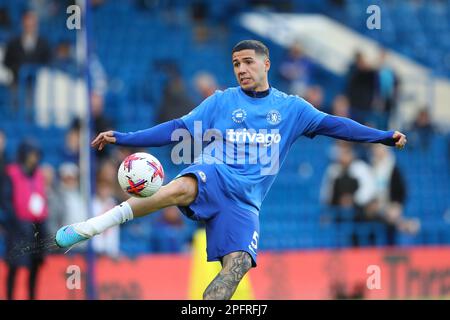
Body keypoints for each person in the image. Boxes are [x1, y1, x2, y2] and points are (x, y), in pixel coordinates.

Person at [55, 40, 407, 300]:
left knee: (236, 267)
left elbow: (338, 125)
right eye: (236, 63)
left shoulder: (292, 109)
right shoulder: (221, 101)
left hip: (246, 201)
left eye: (248, 62)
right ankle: (92, 226)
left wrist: (382, 137)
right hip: (215, 174)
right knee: (182, 187)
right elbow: (176, 128)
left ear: (266, 64)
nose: (241, 69)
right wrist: (126, 137)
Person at [4, 140, 48, 300]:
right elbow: (7, 201)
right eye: (31, 154)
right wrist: (17, 222)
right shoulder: (12, 173)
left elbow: (42, 198)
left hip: (37, 226)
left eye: (36, 155)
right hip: (17, 228)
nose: (34, 158)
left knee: (35, 266)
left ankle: (32, 296)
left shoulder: (39, 175)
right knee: (14, 267)